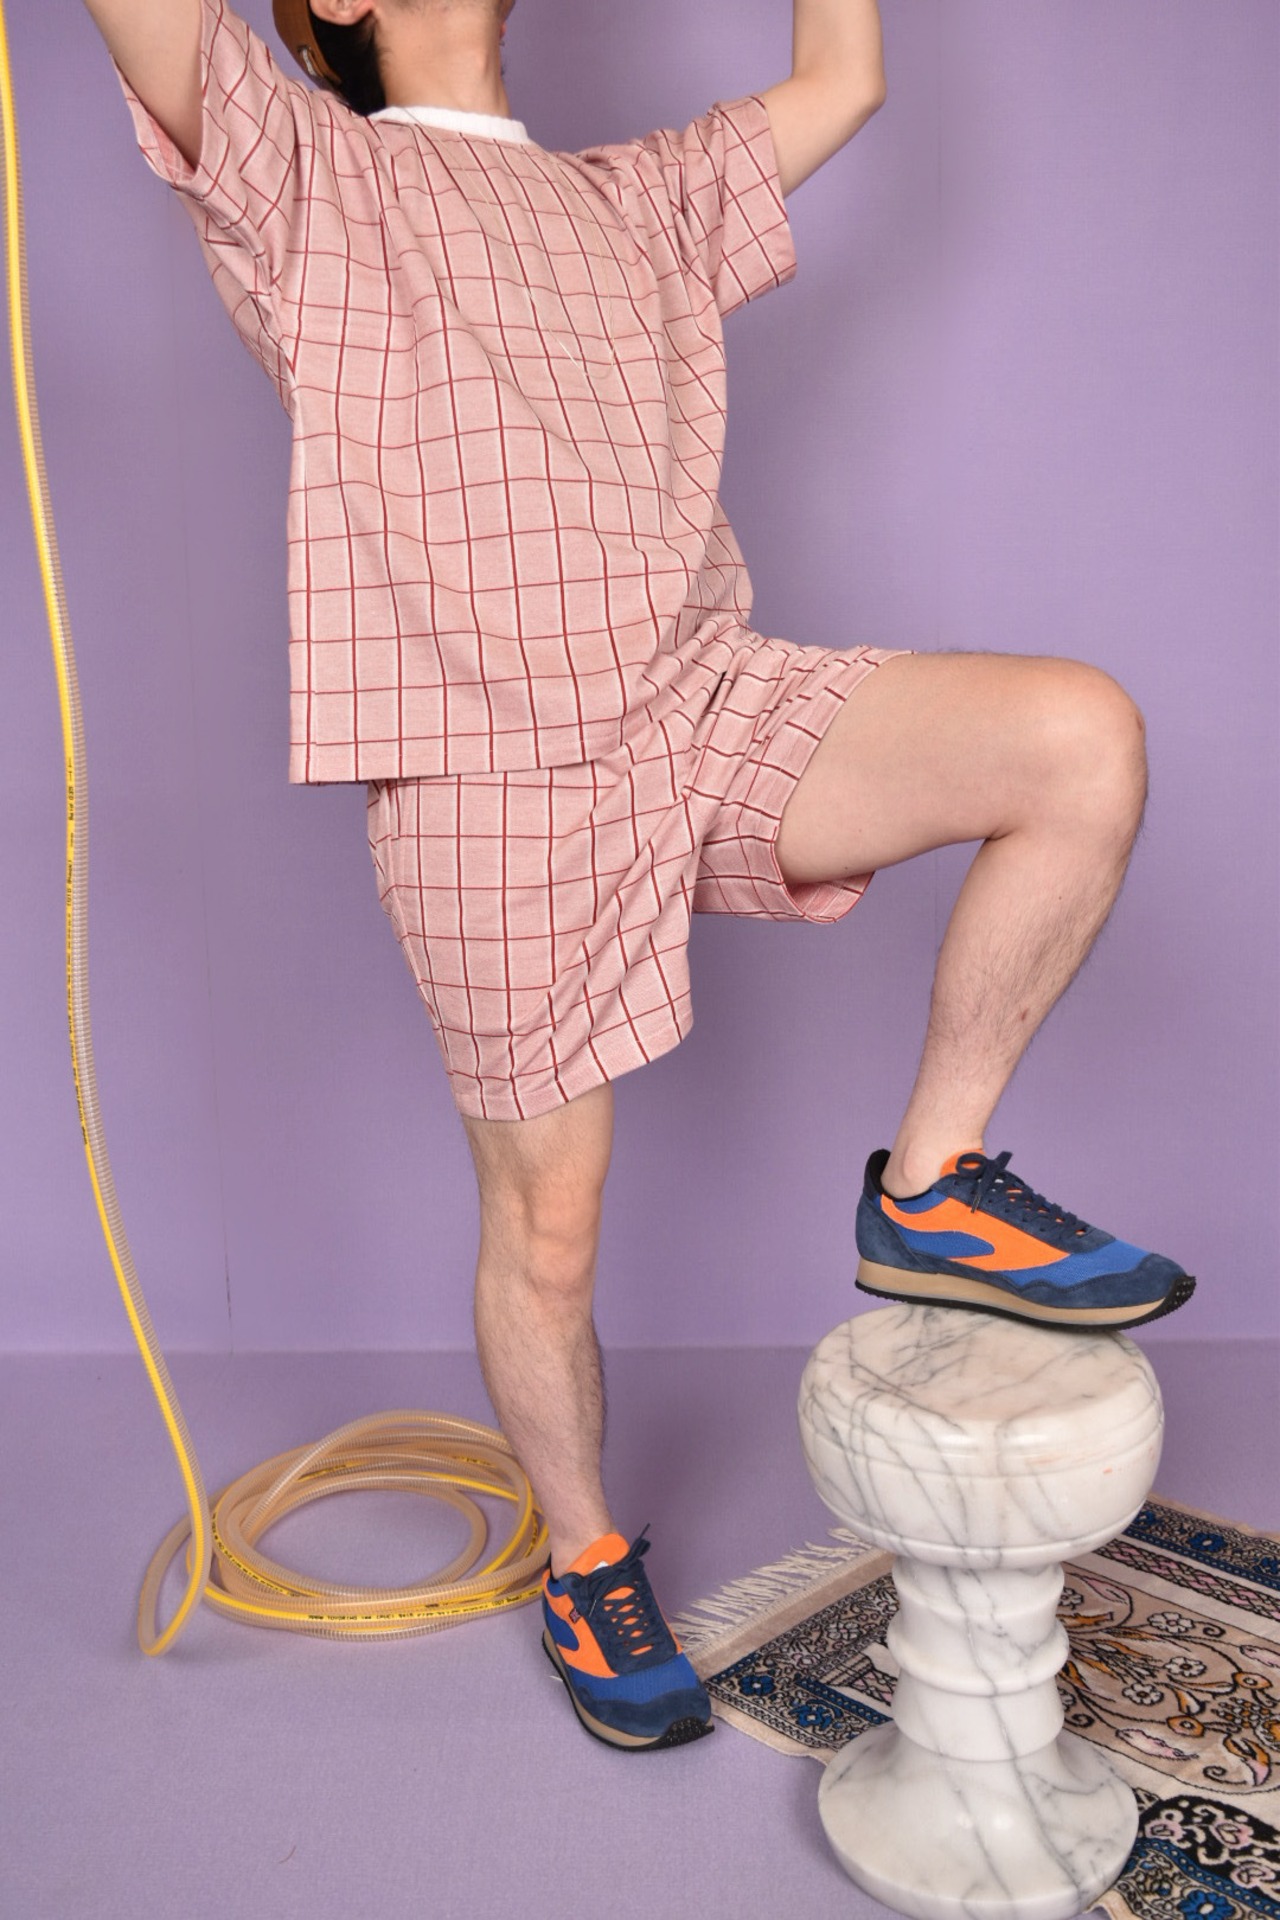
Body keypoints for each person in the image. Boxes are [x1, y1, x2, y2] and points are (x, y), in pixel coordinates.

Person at [83, 0, 1193, 1754]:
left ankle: (929, 1184)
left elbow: (846, 78)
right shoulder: (303, 167)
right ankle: (587, 1558)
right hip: (482, 763)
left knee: (1077, 739)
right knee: (551, 1222)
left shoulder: (635, 196)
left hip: (696, 701)